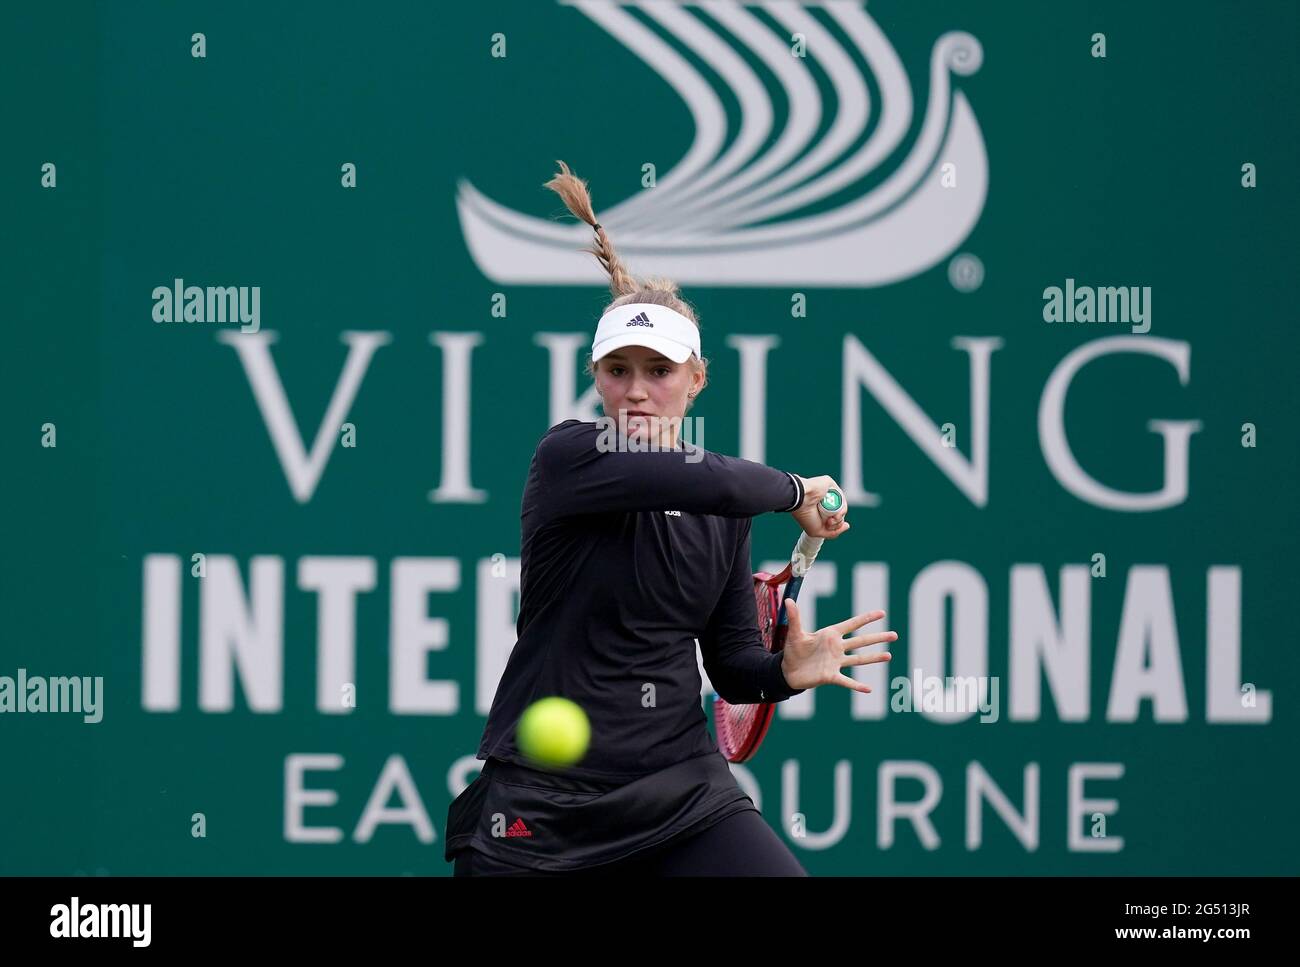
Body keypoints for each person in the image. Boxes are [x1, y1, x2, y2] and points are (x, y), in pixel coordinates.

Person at [444, 161, 896, 876]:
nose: (636, 391)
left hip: (681, 791)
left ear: (695, 379)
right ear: (594, 377)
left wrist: (784, 670)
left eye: (658, 372)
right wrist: (795, 488)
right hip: (543, 802)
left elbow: (732, 667)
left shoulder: (724, 511)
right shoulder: (569, 457)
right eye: (617, 370)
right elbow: (714, 480)